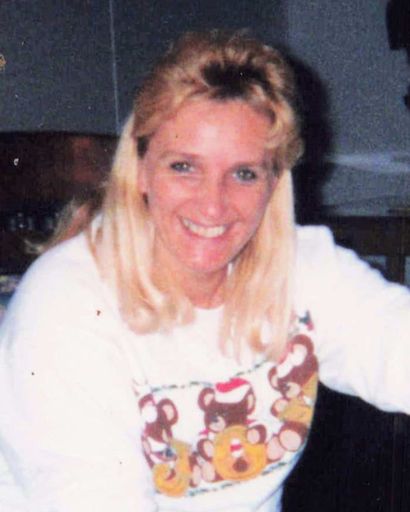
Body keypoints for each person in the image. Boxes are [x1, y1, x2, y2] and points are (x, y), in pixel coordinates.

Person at [0, 30, 409, 512]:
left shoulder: (303, 270)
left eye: (243, 173)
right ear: (141, 167)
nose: (213, 205)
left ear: (274, 182)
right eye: (184, 167)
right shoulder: (66, 307)